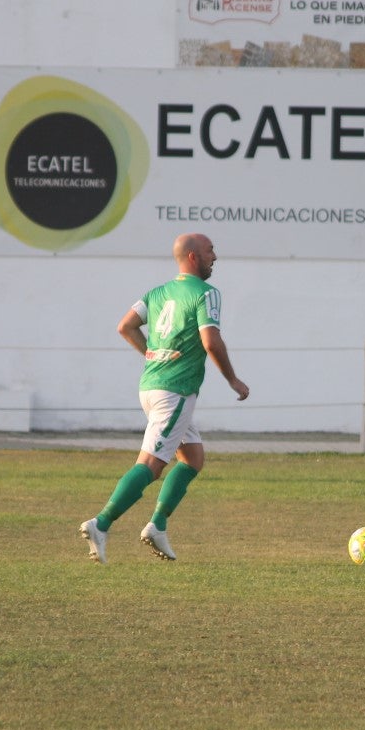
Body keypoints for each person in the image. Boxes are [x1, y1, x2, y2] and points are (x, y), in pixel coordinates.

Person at [80, 233, 249, 564]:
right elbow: (211, 341)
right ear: (191, 257)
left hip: (151, 386)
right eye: (209, 250)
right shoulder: (207, 294)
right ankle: (101, 523)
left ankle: (157, 525)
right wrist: (233, 379)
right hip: (176, 390)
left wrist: (150, 354)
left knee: (192, 459)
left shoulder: (157, 293)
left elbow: (125, 326)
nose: (215, 256)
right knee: (151, 465)